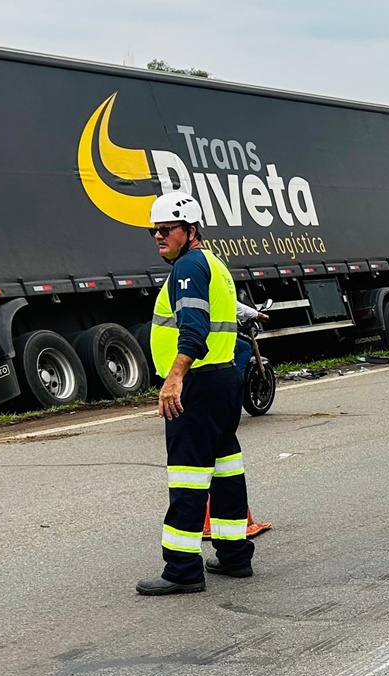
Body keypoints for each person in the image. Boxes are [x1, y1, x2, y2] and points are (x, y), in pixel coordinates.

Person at [137, 191, 256, 596]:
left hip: (199, 383)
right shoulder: (213, 263)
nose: (158, 236)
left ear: (190, 230)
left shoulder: (188, 266)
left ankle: (183, 569)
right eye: (154, 230)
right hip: (224, 379)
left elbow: (193, 328)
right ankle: (234, 555)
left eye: (166, 229)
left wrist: (174, 379)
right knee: (226, 470)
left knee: (187, 475)